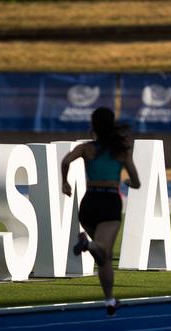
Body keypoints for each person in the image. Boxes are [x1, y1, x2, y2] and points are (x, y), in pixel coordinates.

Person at [61, 106, 140, 317]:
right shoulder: (121, 151)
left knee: (103, 258)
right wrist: (128, 182)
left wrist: (65, 183)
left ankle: (109, 300)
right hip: (109, 201)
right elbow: (137, 181)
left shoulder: (86, 148)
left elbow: (66, 161)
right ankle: (87, 244)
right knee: (104, 250)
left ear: (93, 125)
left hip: (89, 203)